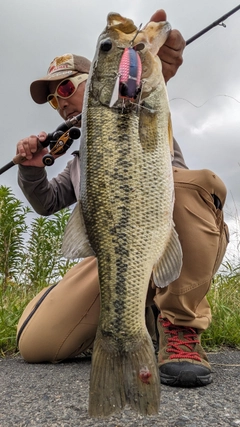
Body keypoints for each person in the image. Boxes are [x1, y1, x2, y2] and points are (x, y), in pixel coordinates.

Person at [16, 9, 229, 388]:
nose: (60, 102)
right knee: (34, 343)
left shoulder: (140, 106)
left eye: (66, 88)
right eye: (52, 99)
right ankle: (133, 316)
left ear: (103, 77)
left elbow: (145, 99)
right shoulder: (81, 158)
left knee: (191, 185)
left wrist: (155, 70)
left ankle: (179, 327)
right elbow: (47, 203)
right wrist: (33, 170)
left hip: (160, 237)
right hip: (116, 259)